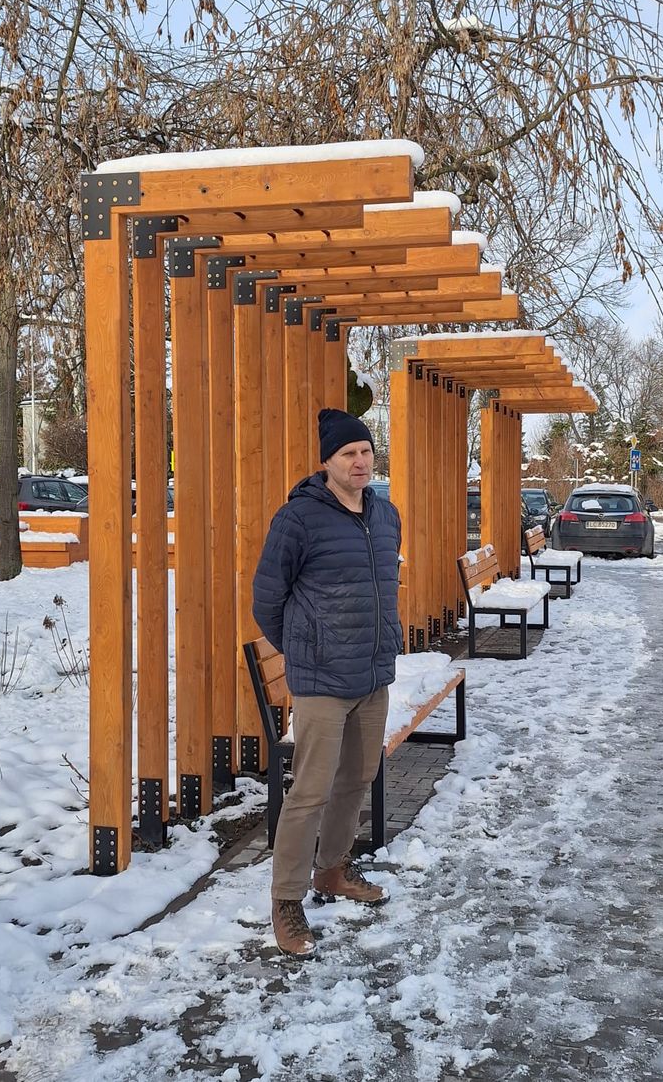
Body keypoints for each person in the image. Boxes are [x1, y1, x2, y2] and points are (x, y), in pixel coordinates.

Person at [252, 407, 403, 958]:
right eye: (348, 454)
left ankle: (332, 870)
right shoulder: (298, 520)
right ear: (328, 463)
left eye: (365, 452)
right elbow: (266, 600)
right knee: (310, 789)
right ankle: (286, 900)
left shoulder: (386, 516)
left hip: (371, 674)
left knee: (357, 778)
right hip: (321, 680)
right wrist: (304, 648)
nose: (360, 461)